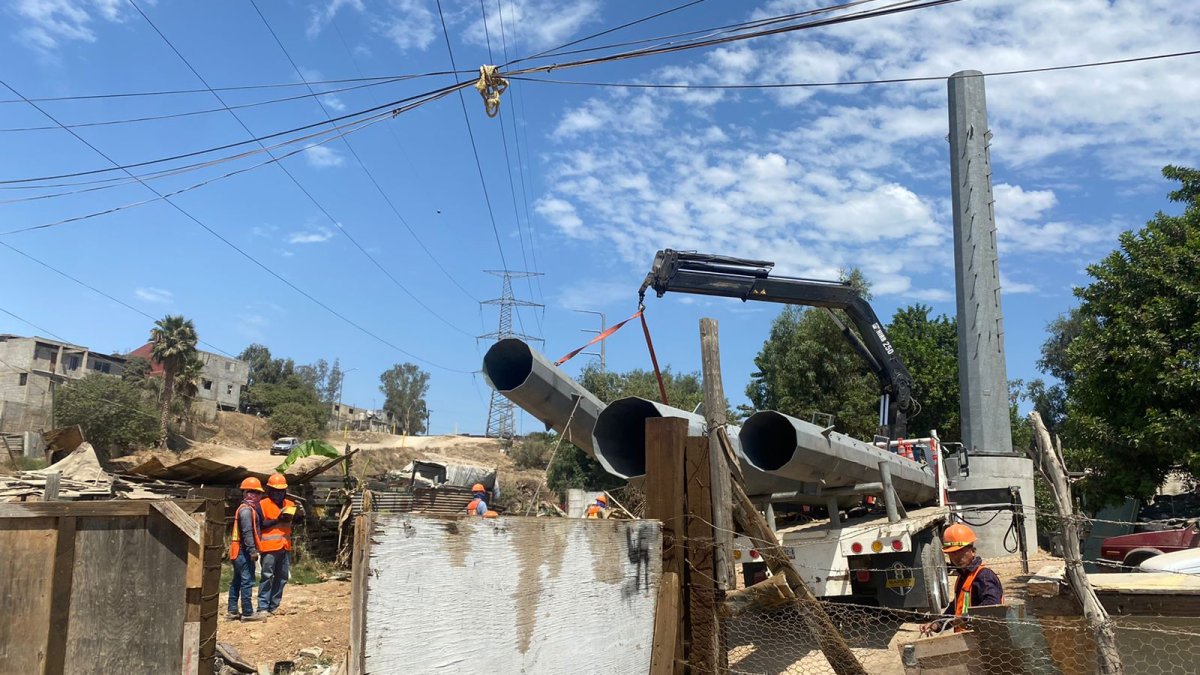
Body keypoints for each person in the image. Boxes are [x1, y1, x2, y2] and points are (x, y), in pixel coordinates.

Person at [923, 523, 1004, 634]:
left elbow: (992, 605)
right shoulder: (963, 576)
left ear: (973, 551)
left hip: (986, 639)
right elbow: (956, 607)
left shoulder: (984, 575)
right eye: (952, 553)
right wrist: (937, 624)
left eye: (961, 552)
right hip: (968, 639)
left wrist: (966, 618)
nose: (956, 557)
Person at [227, 476, 269, 621]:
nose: (257, 495)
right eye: (253, 492)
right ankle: (248, 613)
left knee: (237, 581)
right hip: (243, 551)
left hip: (237, 550)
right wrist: (252, 551)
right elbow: (247, 532)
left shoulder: (247, 509)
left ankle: (232, 611)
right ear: (245, 493)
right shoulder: (246, 511)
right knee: (247, 581)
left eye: (258, 493)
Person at [257, 473, 297, 616]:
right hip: (268, 548)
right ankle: (262, 607)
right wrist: (277, 519)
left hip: (284, 546)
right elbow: (260, 525)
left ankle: (274, 606)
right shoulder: (262, 504)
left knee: (282, 577)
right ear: (269, 490)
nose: (278, 494)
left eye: (281, 491)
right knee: (267, 576)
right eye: (275, 491)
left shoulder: (290, 505)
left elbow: (293, 522)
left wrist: (296, 517)